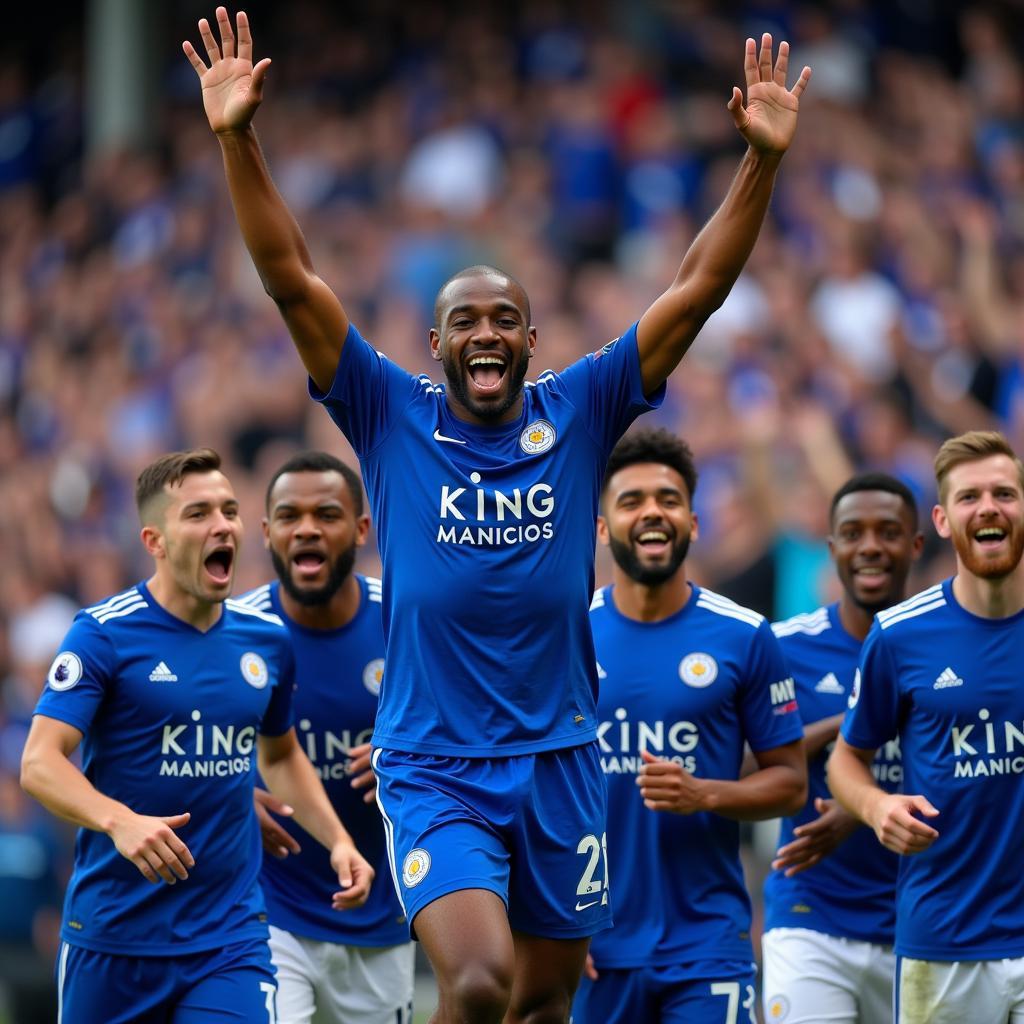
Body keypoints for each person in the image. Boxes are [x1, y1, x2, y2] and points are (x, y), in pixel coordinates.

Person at [184, 10, 811, 1022]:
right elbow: (290, 278)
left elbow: (695, 290)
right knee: (475, 985)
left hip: (564, 755)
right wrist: (236, 137)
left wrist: (760, 163)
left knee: (541, 1005)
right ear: (434, 342)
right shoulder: (387, 411)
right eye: (465, 320)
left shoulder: (581, 406)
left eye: (504, 319)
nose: (486, 333)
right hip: (434, 763)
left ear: (531, 338)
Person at [19, 448, 373, 1024]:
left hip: (228, 938)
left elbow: (279, 753)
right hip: (115, 938)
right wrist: (120, 820)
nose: (223, 526)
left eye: (230, 511)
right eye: (199, 513)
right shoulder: (103, 635)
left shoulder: (266, 642)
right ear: (155, 540)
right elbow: (39, 762)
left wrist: (336, 839)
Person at [572, 428, 807, 1024]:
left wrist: (705, 794)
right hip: (594, 944)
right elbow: (527, 783)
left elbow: (790, 783)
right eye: (632, 501)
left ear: (693, 524)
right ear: (602, 529)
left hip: (708, 946)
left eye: (668, 499)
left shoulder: (745, 636)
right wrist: (548, 917)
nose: (652, 511)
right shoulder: (564, 638)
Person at [828, 431, 1024, 1024]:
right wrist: (877, 808)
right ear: (942, 520)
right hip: (944, 940)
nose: (988, 507)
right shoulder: (900, 635)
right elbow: (846, 760)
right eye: (969, 497)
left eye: (1005, 494)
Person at [235, 450, 415, 1024]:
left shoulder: (408, 623)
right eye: (289, 516)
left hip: (381, 912)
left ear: (362, 529)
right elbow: (178, 756)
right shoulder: (235, 634)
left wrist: (408, 756)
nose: (306, 527)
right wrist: (231, 794)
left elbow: (477, 732)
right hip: (267, 911)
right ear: (267, 533)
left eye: (327, 514)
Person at [761, 473, 923, 1024]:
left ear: (917, 544)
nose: (871, 546)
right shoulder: (784, 647)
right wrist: (851, 724)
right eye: (853, 533)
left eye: (889, 532)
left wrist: (859, 810)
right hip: (810, 917)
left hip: (925, 924)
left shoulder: (943, 645)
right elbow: (733, 763)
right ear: (832, 548)